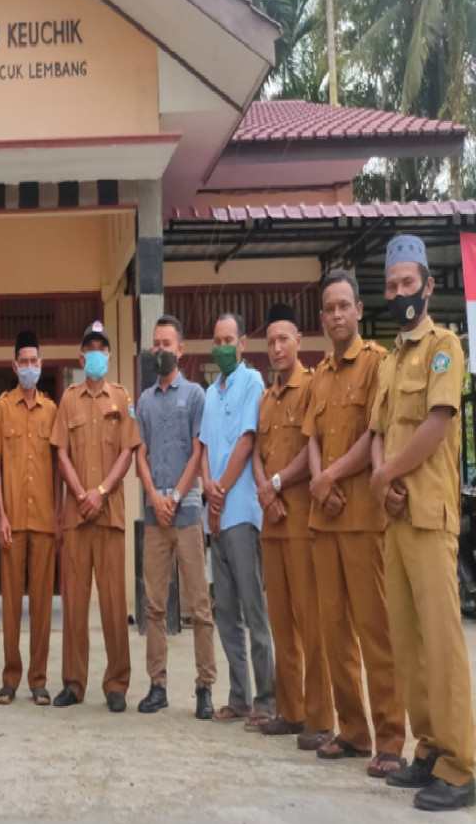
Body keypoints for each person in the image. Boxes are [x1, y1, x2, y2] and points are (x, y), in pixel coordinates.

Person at [370, 235, 475, 811]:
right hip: (396, 518)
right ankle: (430, 748)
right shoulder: (390, 361)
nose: (400, 293)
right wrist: (387, 484)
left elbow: (437, 423)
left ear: (428, 286)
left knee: (441, 643)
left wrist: (385, 475)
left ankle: (462, 765)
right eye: (392, 286)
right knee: (408, 645)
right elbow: (384, 428)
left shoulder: (444, 347)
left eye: (408, 283)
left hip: (431, 516)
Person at [302, 270, 405, 778]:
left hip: (363, 519)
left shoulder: (377, 364)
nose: (337, 315)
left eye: (345, 305)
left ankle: (389, 735)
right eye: (329, 308)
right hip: (324, 521)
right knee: (334, 630)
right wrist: (320, 479)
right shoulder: (318, 375)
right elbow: (312, 436)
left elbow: (376, 431)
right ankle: (353, 730)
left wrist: (331, 478)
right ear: (322, 317)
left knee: (374, 629)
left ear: (359, 310)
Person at [252, 303, 333, 750]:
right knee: (280, 621)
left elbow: (312, 447)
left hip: (301, 521)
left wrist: (279, 484)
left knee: (311, 621)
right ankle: (289, 709)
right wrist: (266, 490)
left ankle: (320, 718)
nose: (277, 348)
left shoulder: (311, 387)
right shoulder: (266, 398)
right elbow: (258, 456)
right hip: (272, 524)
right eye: (271, 341)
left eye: (284, 339)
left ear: (299, 340)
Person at [50, 320, 139, 713]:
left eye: (102, 348)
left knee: (113, 604)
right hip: (76, 516)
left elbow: (127, 452)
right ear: (81, 356)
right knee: (74, 604)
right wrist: (79, 493)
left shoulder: (122, 399)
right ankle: (74, 681)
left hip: (109, 515)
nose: (96, 354)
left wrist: (99, 492)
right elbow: (61, 453)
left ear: (108, 354)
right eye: (90, 348)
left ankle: (116, 683)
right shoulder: (68, 399)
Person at [133, 315, 215, 720]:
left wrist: (177, 496)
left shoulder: (196, 395)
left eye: (167, 343)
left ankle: (204, 687)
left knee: (199, 605)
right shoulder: (145, 400)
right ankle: (157, 684)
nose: (161, 350)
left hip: (187, 515)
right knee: (153, 606)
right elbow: (140, 455)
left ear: (180, 350)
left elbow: (199, 452)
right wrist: (153, 496)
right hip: (154, 517)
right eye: (156, 343)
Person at [200, 311, 274, 725]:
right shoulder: (211, 393)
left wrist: (220, 492)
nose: (223, 345)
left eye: (230, 338)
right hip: (216, 518)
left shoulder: (253, 383)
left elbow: (247, 441)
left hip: (242, 512)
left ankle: (266, 699)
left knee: (252, 607)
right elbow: (207, 448)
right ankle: (239, 696)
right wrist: (208, 487)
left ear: (243, 344)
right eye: (217, 339)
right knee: (225, 611)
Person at [0, 330, 60, 705]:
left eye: (35, 361)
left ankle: (39, 679)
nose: (29, 367)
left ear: (40, 365)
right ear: (15, 366)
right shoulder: (1, 407)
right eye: (24, 362)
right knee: (12, 602)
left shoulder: (51, 410)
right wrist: (0, 514)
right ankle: (11, 678)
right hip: (12, 520)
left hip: (45, 522)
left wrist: (60, 513)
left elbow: (60, 465)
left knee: (42, 605)